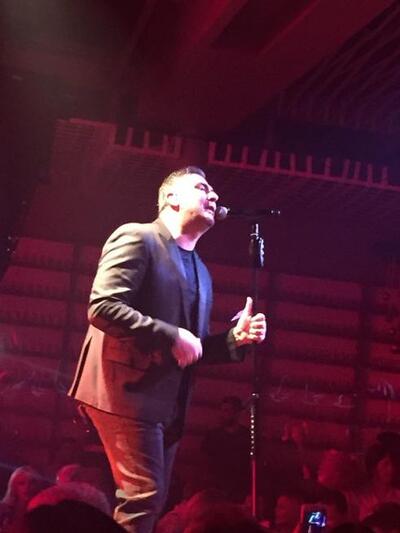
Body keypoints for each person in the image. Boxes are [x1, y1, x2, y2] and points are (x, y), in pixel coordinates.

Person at [68, 166, 267, 533]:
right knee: (144, 496)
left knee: (151, 500)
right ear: (171, 198)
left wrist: (234, 340)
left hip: (167, 402)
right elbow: (103, 306)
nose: (214, 195)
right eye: (202, 187)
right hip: (124, 389)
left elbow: (192, 346)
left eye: (214, 191)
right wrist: (170, 335)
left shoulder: (201, 271)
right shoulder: (138, 237)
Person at [200, 396, 250, 502]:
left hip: (240, 488)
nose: (224, 414)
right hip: (216, 488)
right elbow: (205, 462)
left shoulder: (247, 436)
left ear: (237, 413)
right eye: (222, 410)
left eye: (228, 410)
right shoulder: (212, 436)